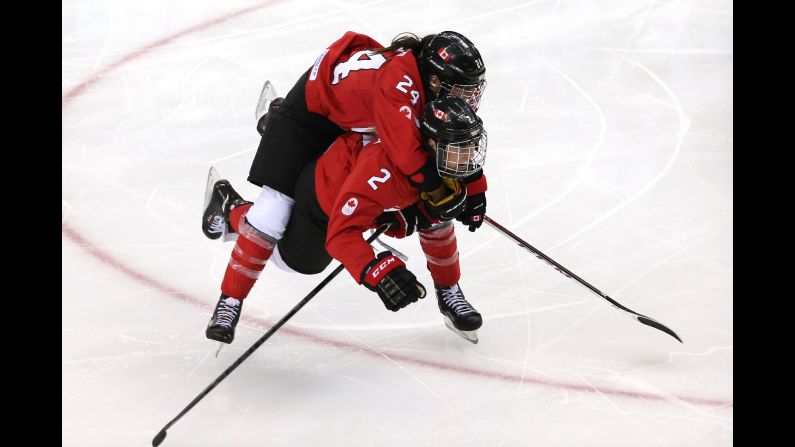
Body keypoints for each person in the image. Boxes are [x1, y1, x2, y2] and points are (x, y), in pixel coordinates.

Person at [202, 96, 488, 344]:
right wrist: (377, 271)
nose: (468, 155)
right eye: (459, 147)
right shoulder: (382, 174)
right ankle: (231, 209)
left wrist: (473, 194)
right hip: (325, 200)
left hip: (364, 186)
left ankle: (449, 291)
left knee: (438, 215)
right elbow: (341, 234)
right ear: (430, 142)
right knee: (290, 258)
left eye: (469, 146)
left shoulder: (434, 152)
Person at [203, 30, 489, 256]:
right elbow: (409, 158)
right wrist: (443, 198)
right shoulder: (400, 88)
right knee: (278, 216)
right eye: (464, 89)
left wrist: (473, 190)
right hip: (315, 112)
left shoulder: (420, 80)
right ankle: (232, 205)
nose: (470, 99)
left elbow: (450, 145)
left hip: (350, 113)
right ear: (436, 80)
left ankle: (276, 120)